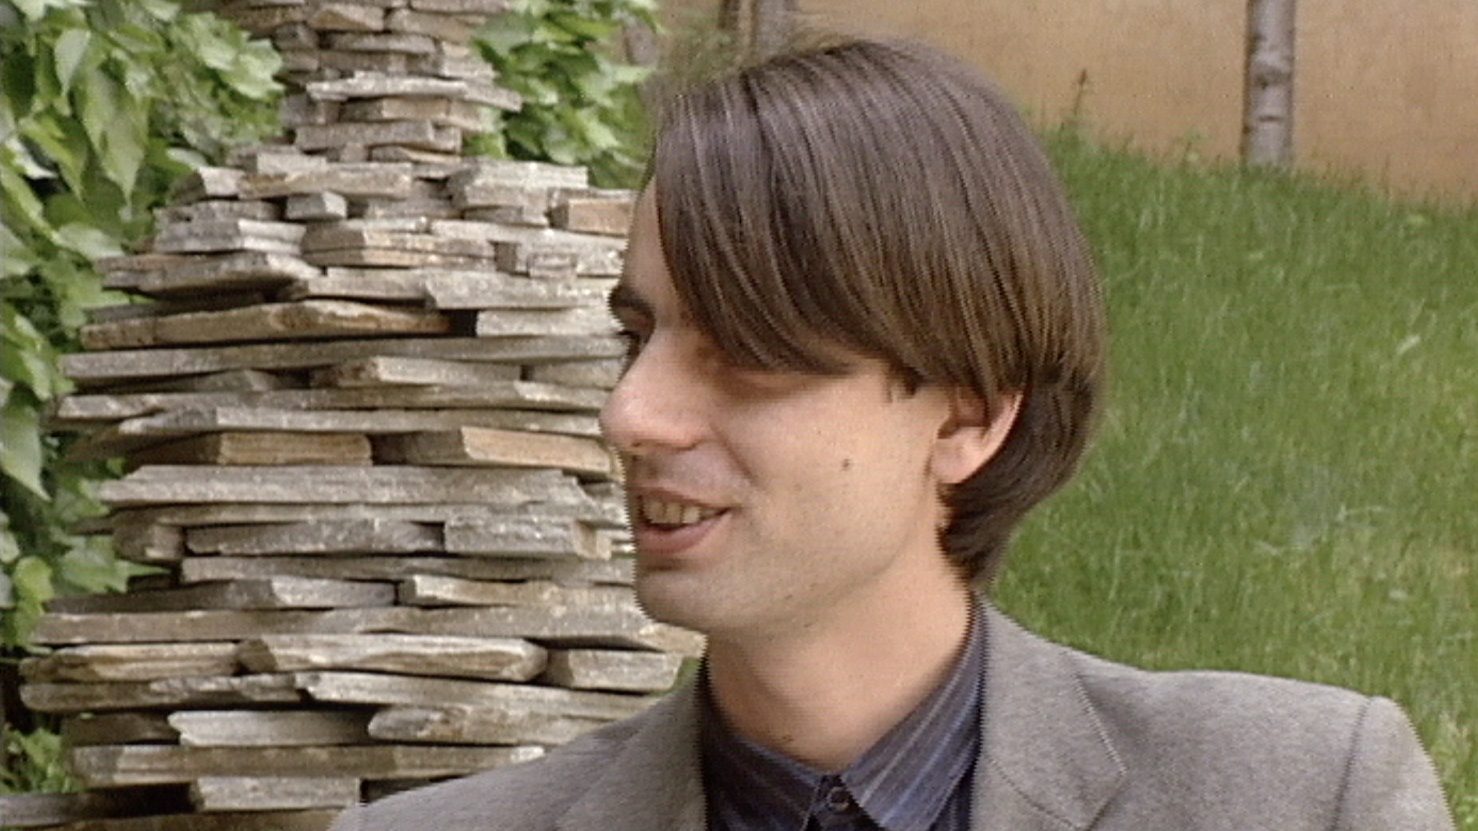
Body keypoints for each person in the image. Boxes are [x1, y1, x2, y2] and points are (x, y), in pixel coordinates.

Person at [330, 37, 1454, 831]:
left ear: (968, 411)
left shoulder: (1303, 796)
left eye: (744, 349)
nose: (629, 415)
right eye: (639, 336)